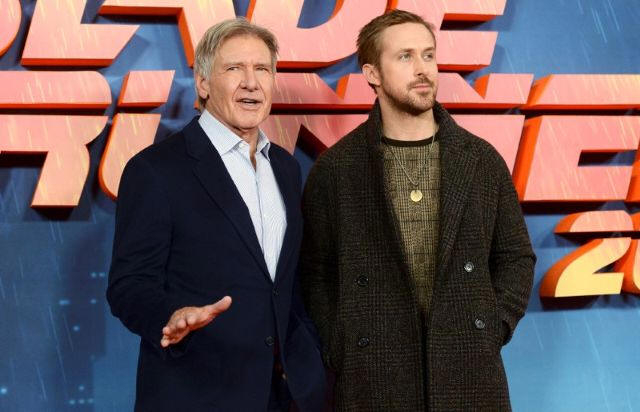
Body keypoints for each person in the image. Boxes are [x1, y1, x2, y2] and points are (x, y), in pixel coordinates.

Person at [300, 9, 535, 411]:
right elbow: (315, 273)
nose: (422, 68)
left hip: (469, 372)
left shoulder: (480, 159)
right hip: (373, 375)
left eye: (428, 55)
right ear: (372, 74)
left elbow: (516, 256)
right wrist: (342, 342)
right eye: (405, 57)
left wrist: (490, 328)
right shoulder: (337, 168)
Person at [107, 18, 325, 412]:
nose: (251, 82)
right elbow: (129, 285)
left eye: (262, 69)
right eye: (234, 68)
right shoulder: (156, 170)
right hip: (196, 392)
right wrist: (170, 316)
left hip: (284, 395)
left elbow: (286, 283)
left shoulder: (286, 169)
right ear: (203, 83)